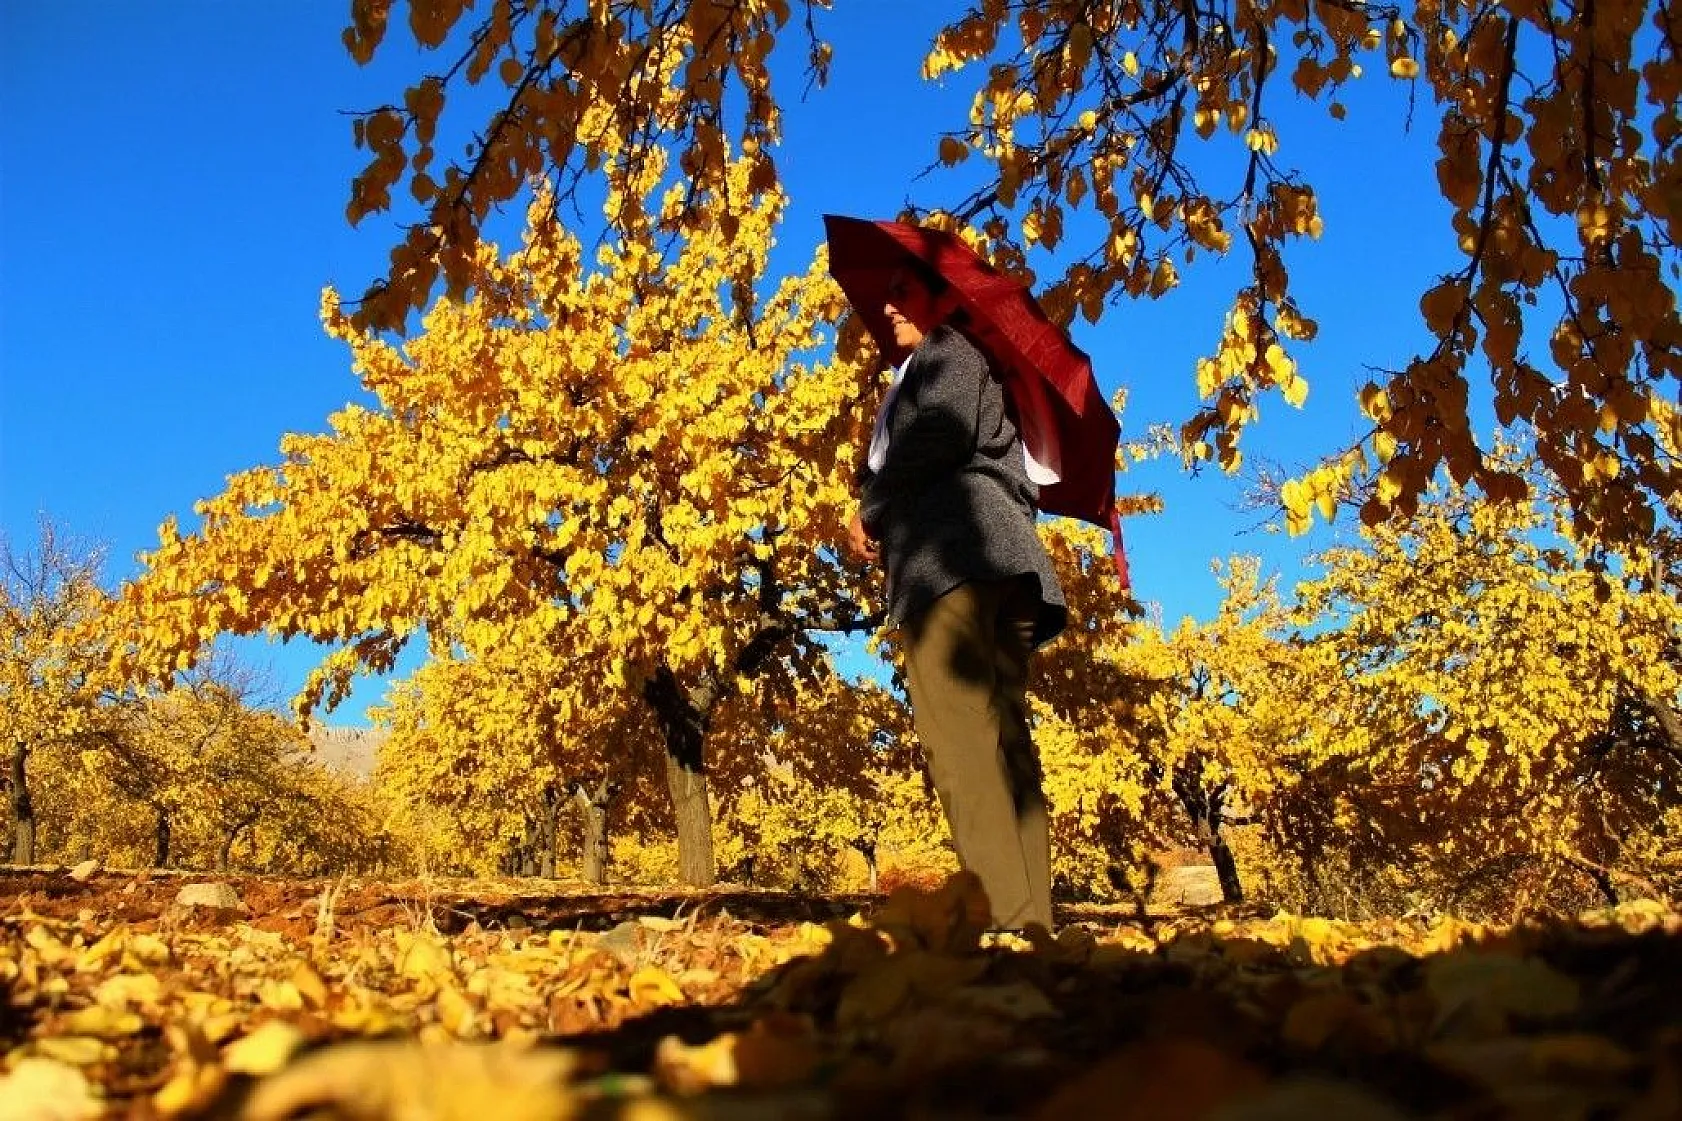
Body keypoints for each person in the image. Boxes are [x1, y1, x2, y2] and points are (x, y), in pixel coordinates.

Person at [847, 259, 1068, 932]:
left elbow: (939, 436)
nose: (887, 309)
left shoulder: (949, 349)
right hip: (1002, 567)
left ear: (944, 296)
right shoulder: (967, 362)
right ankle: (1031, 920)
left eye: (901, 290)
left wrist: (869, 505)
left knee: (961, 740)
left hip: (956, 562)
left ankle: (1004, 914)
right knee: (1004, 741)